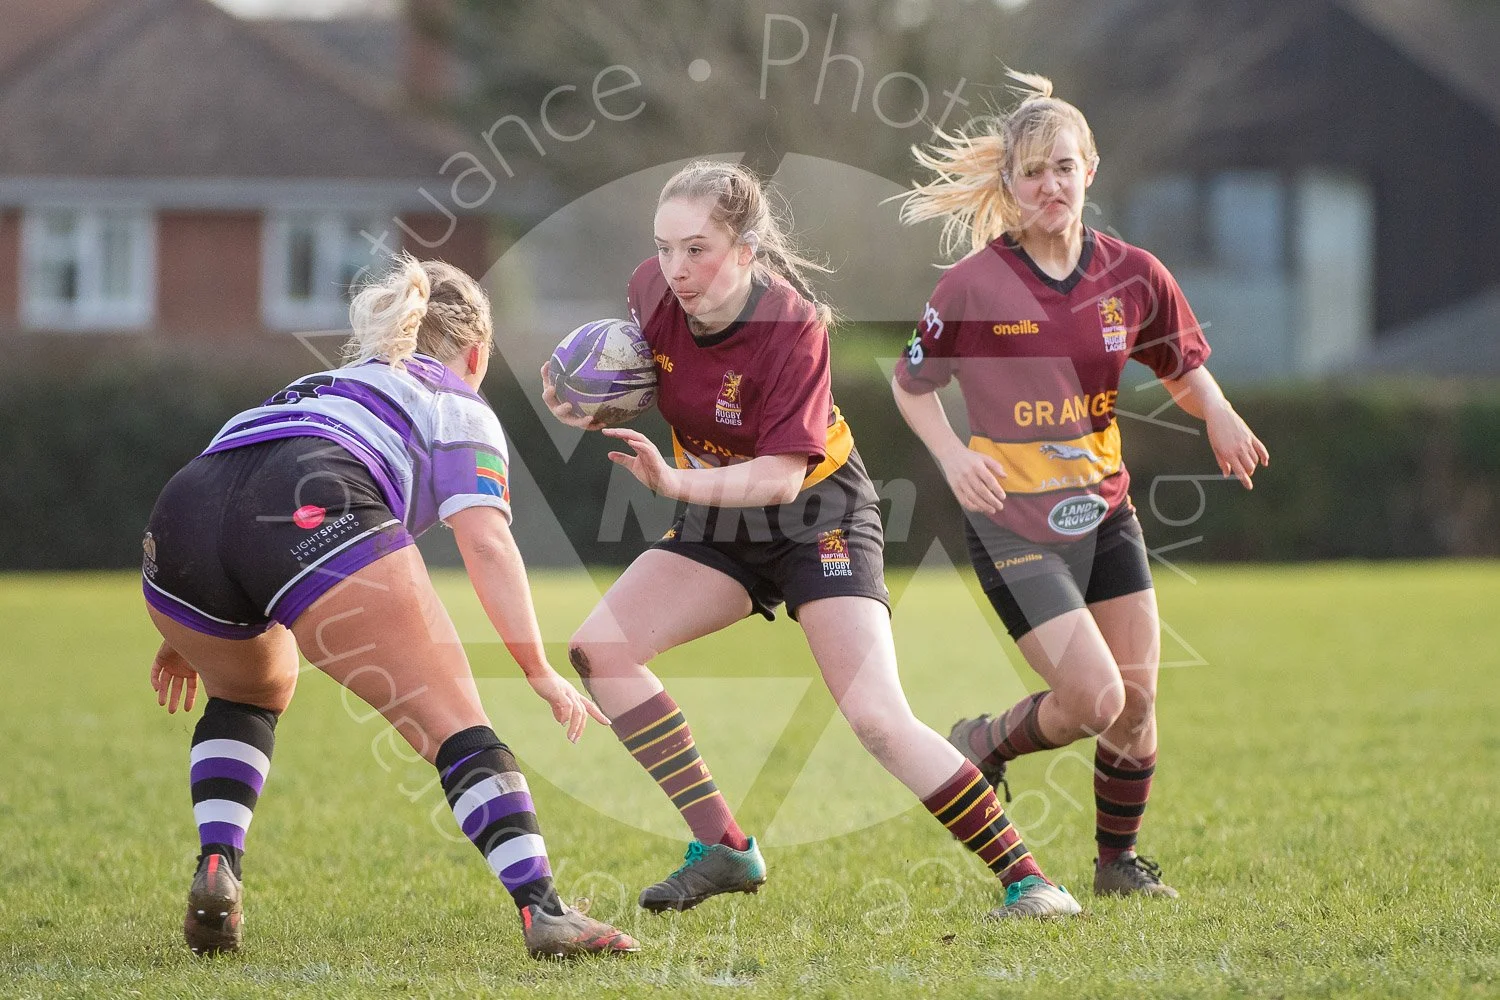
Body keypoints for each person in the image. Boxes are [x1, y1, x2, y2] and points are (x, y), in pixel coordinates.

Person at [541, 160, 1081, 921]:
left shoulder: (791, 326)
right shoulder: (651, 291)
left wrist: (673, 484)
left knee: (876, 719)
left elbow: (778, 481)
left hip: (816, 517)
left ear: (746, 250)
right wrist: (583, 397)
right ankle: (724, 846)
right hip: (717, 517)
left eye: (697, 249)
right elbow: (644, 371)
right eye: (664, 248)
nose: (676, 269)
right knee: (602, 649)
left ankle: (1031, 881)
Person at [141, 256, 639, 959]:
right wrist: (536, 668)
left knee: (250, 689)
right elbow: (486, 541)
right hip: (310, 497)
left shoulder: (321, 381)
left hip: (184, 515)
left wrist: (183, 631)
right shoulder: (457, 402)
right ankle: (544, 909)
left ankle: (218, 861)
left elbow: (230, 489)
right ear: (477, 352)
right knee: (455, 724)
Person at [890, 70, 1270, 898]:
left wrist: (1219, 413)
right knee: (1094, 698)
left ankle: (1117, 866)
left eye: (1063, 167)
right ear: (1010, 185)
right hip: (1012, 527)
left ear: (1090, 170)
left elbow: (1180, 365)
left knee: (1136, 702)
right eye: (1032, 172)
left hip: (1105, 513)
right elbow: (910, 384)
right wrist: (954, 457)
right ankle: (985, 739)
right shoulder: (974, 286)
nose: (1050, 185)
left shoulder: (1133, 274)